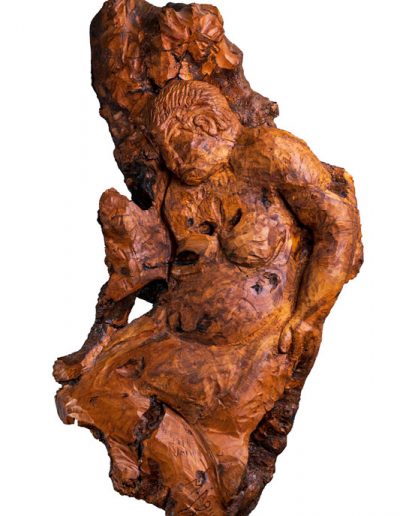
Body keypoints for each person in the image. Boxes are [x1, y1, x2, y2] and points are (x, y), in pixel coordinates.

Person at [55, 79, 362, 512]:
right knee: (87, 391)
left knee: (215, 448)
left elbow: (338, 225)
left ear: (205, 124)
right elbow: (172, 273)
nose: (171, 160)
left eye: (175, 145)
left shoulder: (269, 153)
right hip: (175, 336)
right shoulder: (180, 195)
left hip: (251, 347)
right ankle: (177, 473)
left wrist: (310, 314)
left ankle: (195, 486)